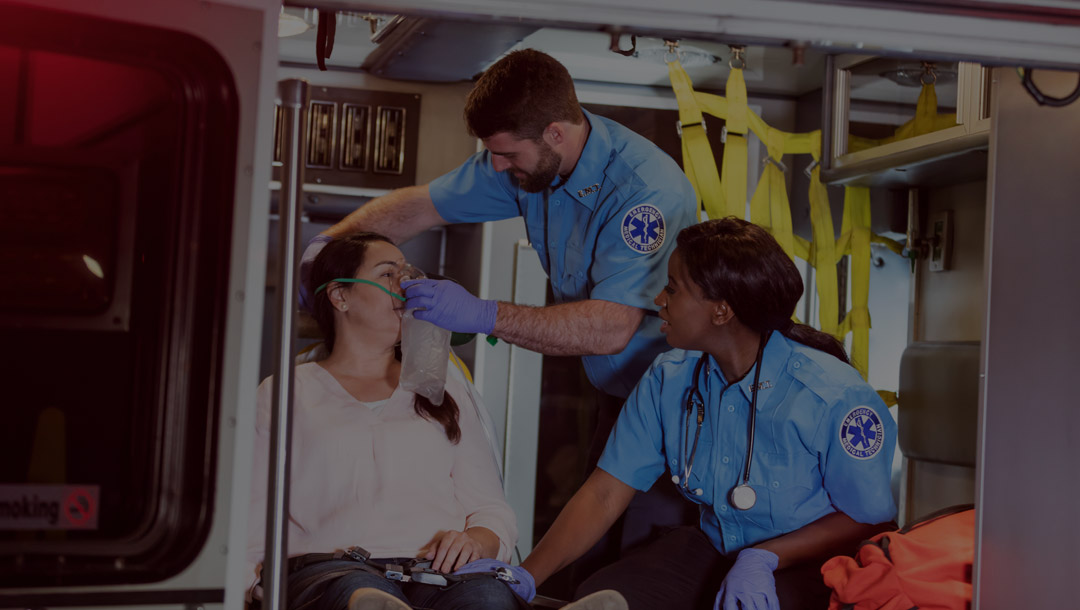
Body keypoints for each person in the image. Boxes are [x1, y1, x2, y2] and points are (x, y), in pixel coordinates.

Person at [302, 48, 700, 561]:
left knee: (643, 563)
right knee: (592, 559)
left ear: (556, 133)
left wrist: (480, 314)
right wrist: (323, 250)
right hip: (615, 397)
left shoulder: (644, 194)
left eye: (508, 154)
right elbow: (419, 205)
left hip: (679, 408)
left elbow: (610, 330)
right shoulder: (519, 161)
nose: (497, 166)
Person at [509, 218, 899, 610]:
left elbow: (870, 520)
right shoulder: (669, 378)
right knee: (608, 596)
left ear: (721, 311)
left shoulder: (834, 397)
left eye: (673, 288)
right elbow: (606, 492)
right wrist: (523, 576)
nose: (658, 299)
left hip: (813, 563)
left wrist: (765, 556)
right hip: (713, 546)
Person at [248, 233, 628, 610]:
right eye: (388, 274)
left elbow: (490, 509)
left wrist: (478, 540)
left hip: (439, 574)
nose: (408, 286)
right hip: (333, 572)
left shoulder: (441, 384)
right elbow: (249, 518)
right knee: (360, 598)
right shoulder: (285, 392)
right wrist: (246, 589)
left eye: (409, 273)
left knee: (488, 599)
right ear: (340, 296)